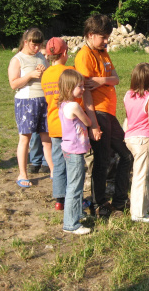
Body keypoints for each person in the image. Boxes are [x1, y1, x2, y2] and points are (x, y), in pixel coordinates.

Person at [75, 14, 132, 218]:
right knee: (102, 160)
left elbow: (116, 79)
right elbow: (85, 92)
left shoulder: (102, 51)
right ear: (91, 35)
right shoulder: (84, 56)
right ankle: (99, 204)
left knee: (126, 155)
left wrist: (100, 80)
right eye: (103, 37)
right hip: (97, 112)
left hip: (108, 112)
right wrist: (92, 124)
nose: (107, 40)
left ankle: (119, 201)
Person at [41, 37, 93, 210]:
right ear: (64, 53)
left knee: (57, 163)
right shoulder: (69, 70)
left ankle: (59, 200)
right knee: (73, 167)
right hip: (70, 125)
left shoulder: (45, 74)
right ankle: (73, 198)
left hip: (54, 124)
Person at [8, 28, 54, 188]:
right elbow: (13, 83)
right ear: (26, 42)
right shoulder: (17, 59)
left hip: (43, 101)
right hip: (26, 102)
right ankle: (23, 174)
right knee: (25, 139)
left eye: (39, 45)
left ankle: (53, 171)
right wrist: (29, 76)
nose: (37, 48)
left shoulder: (41, 57)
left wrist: (44, 72)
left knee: (47, 139)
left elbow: (48, 76)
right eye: (34, 45)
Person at [123, 63, 149, 224]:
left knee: (144, 173)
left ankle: (146, 205)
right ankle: (138, 213)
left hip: (130, 137)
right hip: (143, 139)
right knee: (141, 176)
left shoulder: (127, 94)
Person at [57, 69, 92, 235]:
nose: (83, 89)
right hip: (75, 152)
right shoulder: (74, 105)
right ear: (69, 88)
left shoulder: (63, 105)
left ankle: (77, 213)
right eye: (80, 87)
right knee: (74, 187)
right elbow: (88, 121)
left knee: (76, 183)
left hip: (69, 150)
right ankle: (70, 224)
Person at [29, 42, 50, 174]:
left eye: (47, 55)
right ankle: (35, 160)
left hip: (48, 102)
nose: (45, 58)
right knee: (35, 134)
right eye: (43, 55)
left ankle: (46, 161)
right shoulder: (35, 68)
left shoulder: (50, 69)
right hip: (36, 101)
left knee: (47, 132)